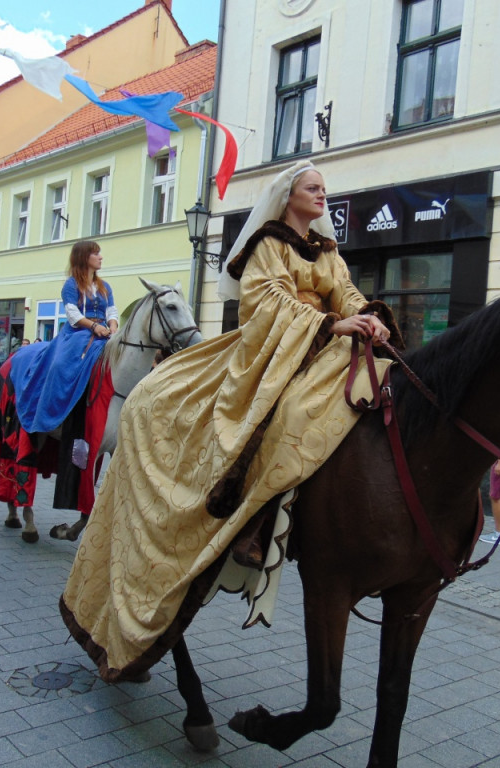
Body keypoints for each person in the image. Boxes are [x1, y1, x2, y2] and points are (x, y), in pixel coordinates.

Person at [60, 161, 398, 682]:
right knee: (288, 412)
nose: (322, 195)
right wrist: (330, 322)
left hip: (323, 341)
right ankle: (254, 519)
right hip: (271, 353)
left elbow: (346, 291)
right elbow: (265, 302)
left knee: (374, 390)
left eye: (325, 189)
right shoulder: (268, 243)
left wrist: (364, 313)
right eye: (313, 188)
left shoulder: (328, 251)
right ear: (289, 195)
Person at [10, 240, 119, 434]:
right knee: (60, 366)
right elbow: (73, 314)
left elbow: (111, 310)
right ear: (84, 257)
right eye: (96, 254)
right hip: (77, 333)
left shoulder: (105, 286)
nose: (101, 257)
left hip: (103, 330)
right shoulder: (71, 285)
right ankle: (55, 412)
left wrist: (113, 328)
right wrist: (94, 326)